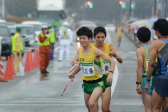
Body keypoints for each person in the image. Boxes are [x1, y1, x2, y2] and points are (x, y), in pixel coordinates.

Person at [72, 26, 123, 112]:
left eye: (102, 37)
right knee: (92, 106)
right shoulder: (89, 47)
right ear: (94, 37)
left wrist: (116, 56)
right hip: (93, 79)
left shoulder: (110, 46)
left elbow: (120, 60)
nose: (100, 39)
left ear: (105, 37)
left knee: (105, 109)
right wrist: (74, 65)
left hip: (105, 79)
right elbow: (77, 60)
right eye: (98, 37)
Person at [145, 19, 168, 112]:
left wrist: (148, 80)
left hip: (163, 78)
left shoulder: (157, 43)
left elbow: (150, 63)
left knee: (156, 108)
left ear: (158, 31)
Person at [135, 27, 153, 112]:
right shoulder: (155, 48)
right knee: (158, 108)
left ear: (138, 38)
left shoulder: (140, 50)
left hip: (146, 79)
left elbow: (139, 67)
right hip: (157, 78)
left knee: (148, 108)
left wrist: (138, 83)